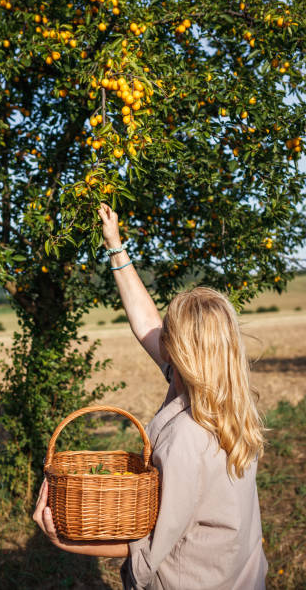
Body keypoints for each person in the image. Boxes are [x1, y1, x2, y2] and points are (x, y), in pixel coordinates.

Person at [33, 203, 268, 589]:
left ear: (179, 351)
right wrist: (115, 246)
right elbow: (146, 322)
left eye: (168, 337)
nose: (159, 340)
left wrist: (66, 540)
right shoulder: (232, 402)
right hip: (240, 574)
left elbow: (149, 542)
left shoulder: (185, 439)